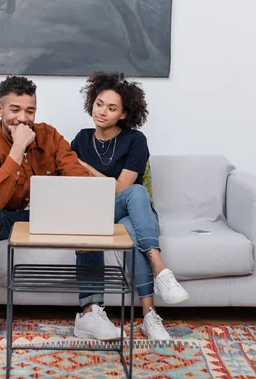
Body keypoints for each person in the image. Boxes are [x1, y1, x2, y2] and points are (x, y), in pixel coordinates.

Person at [0, 75, 123, 346]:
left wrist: (80, 217)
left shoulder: (49, 135)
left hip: (50, 216)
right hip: (9, 217)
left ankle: (90, 311)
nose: (23, 118)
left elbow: (77, 176)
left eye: (30, 111)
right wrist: (17, 148)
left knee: (86, 208)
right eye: (15, 110)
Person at [71, 71, 189, 340]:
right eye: (99, 103)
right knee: (134, 198)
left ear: (123, 115)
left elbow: (122, 188)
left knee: (134, 206)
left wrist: (87, 167)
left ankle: (149, 316)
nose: (102, 111)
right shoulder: (81, 138)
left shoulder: (135, 140)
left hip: (131, 210)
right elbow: (67, 181)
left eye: (111, 108)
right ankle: (160, 269)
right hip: (96, 212)